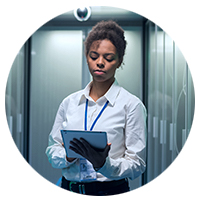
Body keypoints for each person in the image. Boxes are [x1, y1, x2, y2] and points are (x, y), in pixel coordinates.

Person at [45, 20, 147, 196]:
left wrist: (103, 164)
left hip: (109, 192)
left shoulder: (131, 105)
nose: (100, 63)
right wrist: (68, 156)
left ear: (119, 61)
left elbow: (137, 165)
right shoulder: (69, 103)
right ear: (86, 57)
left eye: (108, 58)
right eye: (94, 56)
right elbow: (52, 151)